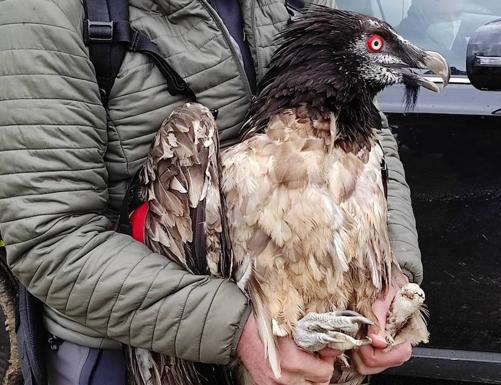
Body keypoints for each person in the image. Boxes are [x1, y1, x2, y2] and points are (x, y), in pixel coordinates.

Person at [0, 0, 423, 384]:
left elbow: (366, 130)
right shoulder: (48, 11)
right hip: (134, 353)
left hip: (301, 343)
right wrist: (240, 332)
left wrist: (390, 277)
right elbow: (51, 237)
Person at [398, 0, 467, 73]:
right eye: (442, 16)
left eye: (457, 14)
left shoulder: (461, 45)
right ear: (422, 17)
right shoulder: (399, 43)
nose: (452, 23)